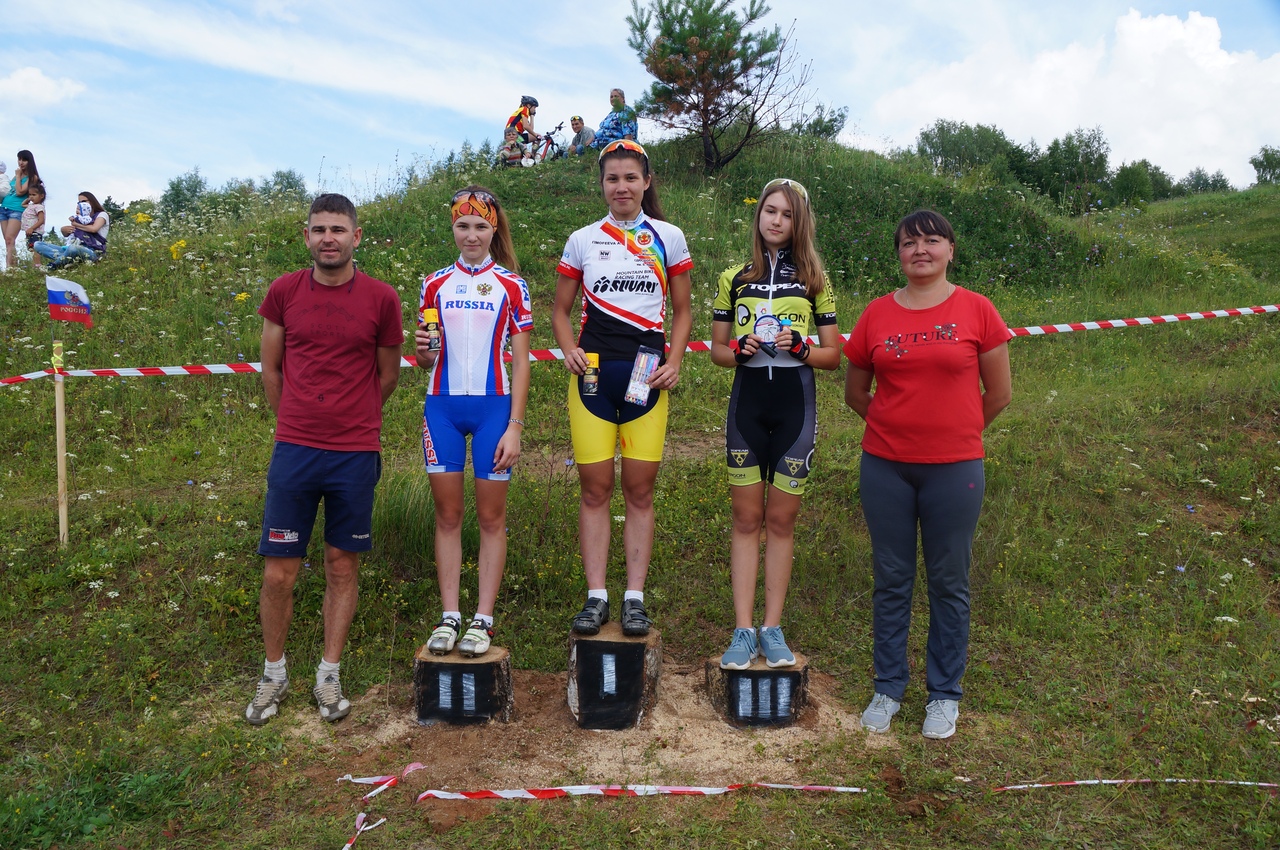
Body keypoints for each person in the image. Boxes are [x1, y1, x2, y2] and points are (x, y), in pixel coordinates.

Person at [843, 210, 1012, 740]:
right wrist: (895, 432)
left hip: (955, 472)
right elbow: (855, 392)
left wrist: (956, 436)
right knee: (891, 580)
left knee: (949, 582)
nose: (920, 249)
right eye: (909, 242)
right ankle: (888, 688)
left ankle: (944, 696)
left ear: (950, 250)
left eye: (932, 240)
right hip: (885, 469)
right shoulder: (875, 314)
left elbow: (1000, 393)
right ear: (898, 254)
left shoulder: (977, 310)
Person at [246, 193, 403, 726]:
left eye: (338, 229)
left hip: (355, 453)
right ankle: (273, 674)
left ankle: (328, 674)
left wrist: (352, 420)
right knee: (278, 574)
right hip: (295, 450)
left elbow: (387, 375)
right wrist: (295, 421)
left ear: (356, 237)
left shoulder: (382, 298)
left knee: (342, 565)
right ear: (306, 236)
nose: (328, 238)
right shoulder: (283, 291)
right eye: (319, 230)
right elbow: (272, 370)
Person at [552, 139, 693, 637]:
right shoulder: (582, 239)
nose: (621, 186)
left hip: (645, 373)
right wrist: (567, 346)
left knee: (639, 490)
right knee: (594, 491)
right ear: (602, 184)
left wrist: (675, 359)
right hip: (591, 372)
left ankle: (633, 598)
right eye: (612, 178)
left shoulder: (668, 237)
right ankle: (596, 598)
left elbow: (681, 311)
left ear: (646, 182)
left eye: (630, 177)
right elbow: (559, 311)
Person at [710, 178, 841, 669]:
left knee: (781, 521)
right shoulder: (733, 277)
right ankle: (743, 630)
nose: (776, 221)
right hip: (747, 407)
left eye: (786, 214)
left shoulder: (815, 281)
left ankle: (773, 626)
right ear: (758, 215)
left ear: (798, 222)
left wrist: (803, 348)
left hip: (795, 409)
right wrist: (737, 351)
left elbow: (832, 357)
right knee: (746, 520)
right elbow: (719, 351)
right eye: (769, 211)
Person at [417, 186, 533, 658]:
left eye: (480, 226)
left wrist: (516, 426)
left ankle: (482, 618)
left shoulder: (512, 284)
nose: (471, 235)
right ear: (453, 228)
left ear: (494, 229)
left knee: (491, 517)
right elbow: (426, 356)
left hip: (494, 410)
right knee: (447, 516)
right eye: (463, 226)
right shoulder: (433, 283)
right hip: (441, 406)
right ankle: (449, 616)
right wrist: (425, 352)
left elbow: (522, 363)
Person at [33, 191, 109, 270]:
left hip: (92, 251)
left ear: (92, 201)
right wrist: (64, 230)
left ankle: (55, 265)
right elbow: (72, 234)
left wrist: (75, 224)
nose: (81, 204)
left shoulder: (102, 214)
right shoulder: (79, 217)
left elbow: (94, 229)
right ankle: (70, 259)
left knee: (73, 248)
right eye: (79, 202)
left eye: (83, 201)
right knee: (38, 245)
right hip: (71, 248)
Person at [2, 150, 40, 269]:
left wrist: (18, 176)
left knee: (10, 238)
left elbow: (20, 191)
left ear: (30, 161)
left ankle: (10, 269)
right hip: (4, 208)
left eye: (24, 160)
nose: (21, 162)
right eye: (19, 159)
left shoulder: (32, 177)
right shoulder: (15, 176)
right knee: (8, 241)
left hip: (17, 210)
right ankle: (13, 268)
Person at [21, 182, 46, 267]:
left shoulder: (39, 207)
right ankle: (33, 264)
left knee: (36, 248)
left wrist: (32, 228)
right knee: (31, 248)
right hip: (29, 231)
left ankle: (37, 264)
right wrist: (29, 199)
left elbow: (41, 220)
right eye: (30, 195)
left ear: (41, 196)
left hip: (35, 231)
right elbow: (23, 204)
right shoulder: (31, 205)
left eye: (34, 195)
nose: (31, 197)